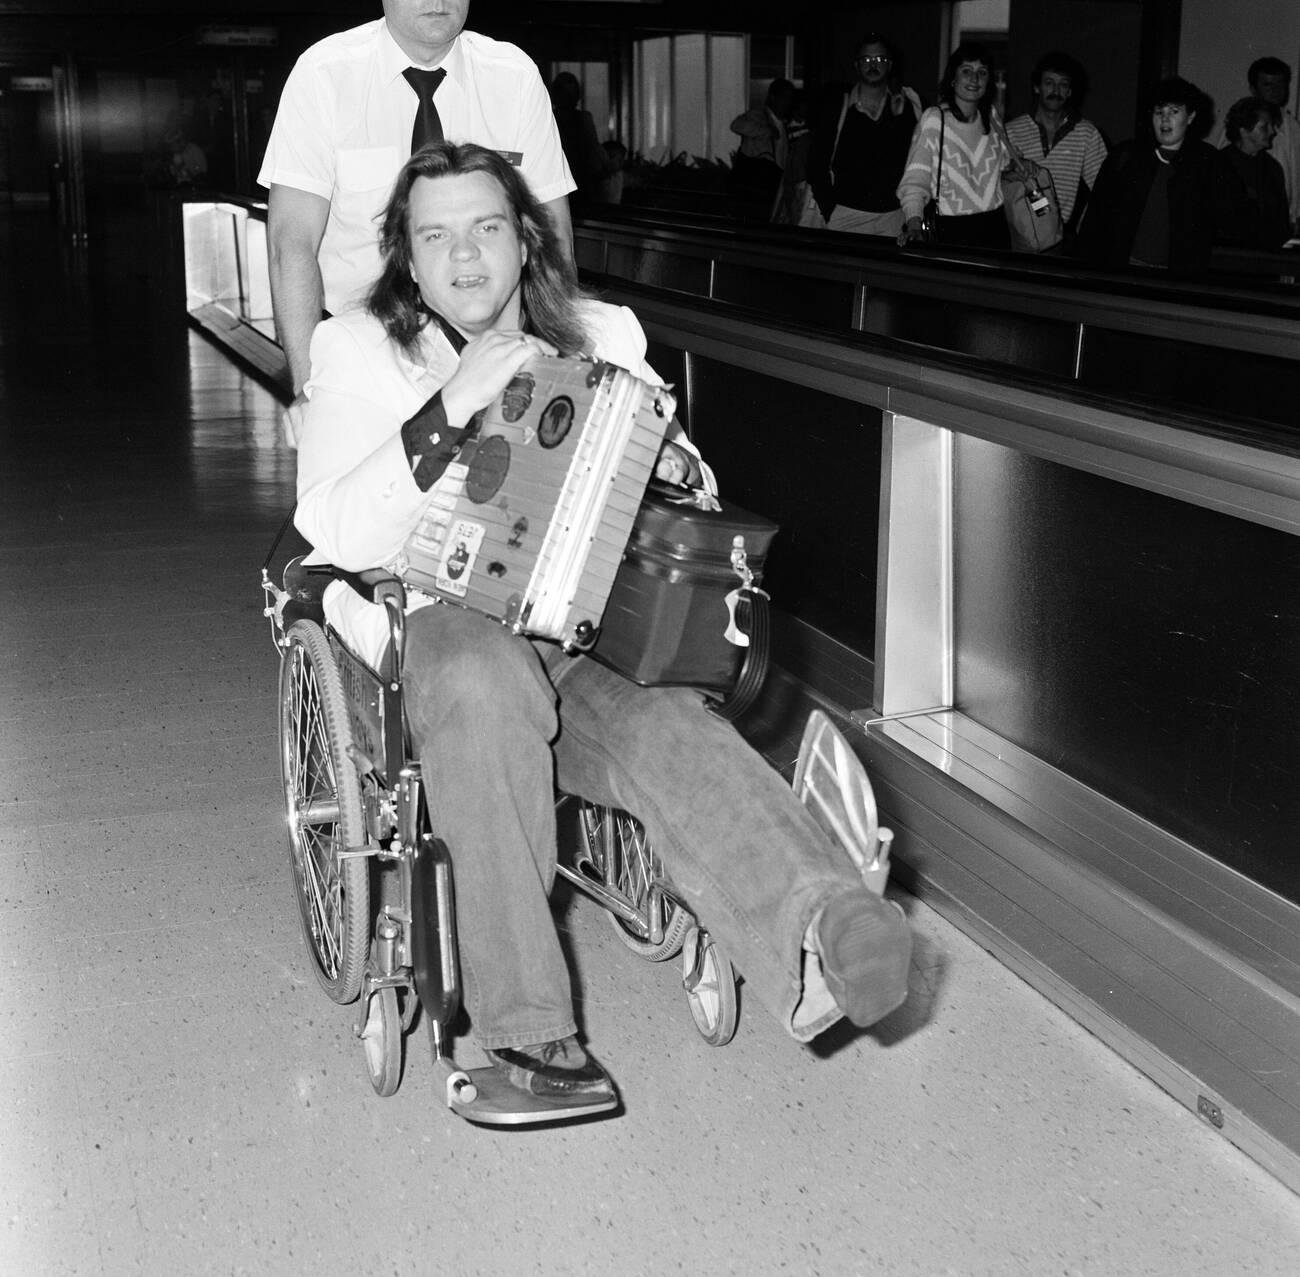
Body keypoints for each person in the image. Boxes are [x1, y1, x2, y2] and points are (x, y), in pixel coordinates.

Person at [294, 141, 913, 1108]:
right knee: (483, 681)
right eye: (437, 237)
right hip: (439, 619)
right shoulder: (358, 349)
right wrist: (451, 406)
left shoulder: (600, 333)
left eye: (487, 228)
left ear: (526, 239)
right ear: (407, 258)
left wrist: (665, 463)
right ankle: (528, 1033)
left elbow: (692, 487)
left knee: (667, 725)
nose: (466, 255)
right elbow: (332, 528)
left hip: (581, 624)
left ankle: (827, 927)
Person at [257, 0, 576, 423]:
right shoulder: (325, 74)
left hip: (493, 352)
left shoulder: (513, 77)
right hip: (364, 352)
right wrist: (306, 387)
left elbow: (553, 236)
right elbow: (291, 243)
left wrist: (563, 367)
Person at [1078, 77, 1218, 272]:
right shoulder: (1125, 156)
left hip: (1179, 274)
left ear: (1190, 117)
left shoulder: (1208, 161)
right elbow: (1095, 218)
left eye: (1174, 111)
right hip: (1126, 268)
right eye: (1159, 112)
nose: (1165, 119)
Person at [897, 42, 1012, 250]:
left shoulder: (992, 117)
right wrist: (914, 225)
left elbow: (1004, 168)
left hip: (995, 228)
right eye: (966, 71)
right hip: (951, 230)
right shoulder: (935, 119)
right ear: (952, 78)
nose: (974, 79)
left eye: (982, 72)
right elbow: (914, 182)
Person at [806, 33, 922, 238]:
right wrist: (829, 209)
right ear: (857, 65)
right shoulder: (838, 108)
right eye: (866, 59)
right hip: (846, 216)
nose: (873, 65)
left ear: (890, 65)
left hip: (894, 218)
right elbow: (816, 162)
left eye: (880, 59)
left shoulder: (906, 109)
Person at [1004, 52, 1108, 234]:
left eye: (1063, 84)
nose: (1056, 90)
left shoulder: (1086, 133)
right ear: (1037, 87)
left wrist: (1084, 225)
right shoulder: (1011, 130)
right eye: (1049, 83)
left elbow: (1104, 188)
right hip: (1017, 232)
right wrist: (1013, 168)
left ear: (1069, 92)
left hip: (1059, 236)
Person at [1214, 97, 1291, 251]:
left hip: (1265, 254)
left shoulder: (1272, 167)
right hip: (1228, 252)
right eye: (1264, 127)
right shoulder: (1219, 164)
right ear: (1243, 131)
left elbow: (1281, 218)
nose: (1272, 131)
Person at [1246, 57, 1299, 234]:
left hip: (1285, 225)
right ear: (1254, 89)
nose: (1276, 91)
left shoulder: (1292, 127)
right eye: (1268, 85)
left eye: (1280, 84)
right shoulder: (1242, 125)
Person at [549, 71, 617, 207]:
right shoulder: (551, 119)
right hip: (564, 186)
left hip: (579, 186)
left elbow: (594, 151)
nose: (570, 99)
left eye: (572, 94)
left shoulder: (581, 119)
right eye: (566, 94)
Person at [730, 78, 795, 218]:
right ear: (773, 97)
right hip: (758, 187)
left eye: (790, 99)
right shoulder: (759, 116)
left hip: (772, 186)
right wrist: (766, 130)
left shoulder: (782, 123)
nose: (788, 103)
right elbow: (736, 125)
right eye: (784, 98)